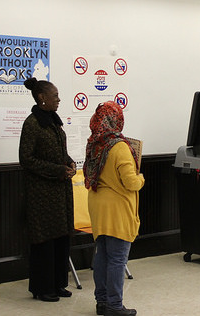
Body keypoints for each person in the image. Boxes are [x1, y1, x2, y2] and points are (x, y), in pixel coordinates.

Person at [83, 101, 145, 316]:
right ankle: (114, 306)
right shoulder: (119, 147)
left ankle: (101, 302)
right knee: (118, 259)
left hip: (97, 205)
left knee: (102, 256)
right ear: (115, 119)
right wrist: (141, 178)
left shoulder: (94, 144)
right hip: (117, 209)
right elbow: (130, 183)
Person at [19, 78, 76, 301]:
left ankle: (58, 283)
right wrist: (57, 170)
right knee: (45, 242)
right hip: (41, 195)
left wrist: (69, 163)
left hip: (60, 193)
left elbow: (60, 152)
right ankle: (43, 288)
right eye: (55, 96)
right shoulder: (32, 123)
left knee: (61, 239)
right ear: (42, 98)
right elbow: (26, 159)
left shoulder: (54, 121)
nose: (59, 99)